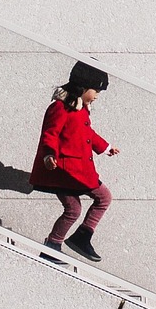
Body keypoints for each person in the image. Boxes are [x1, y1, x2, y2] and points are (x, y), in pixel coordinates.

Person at [30, 61, 118, 261]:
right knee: (87, 203)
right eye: (95, 91)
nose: (96, 96)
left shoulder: (80, 108)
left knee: (87, 204)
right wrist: (49, 155)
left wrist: (105, 147)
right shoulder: (60, 108)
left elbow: (87, 133)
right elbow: (50, 134)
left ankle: (71, 239)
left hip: (76, 169)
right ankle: (61, 243)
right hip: (64, 170)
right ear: (83, 87)